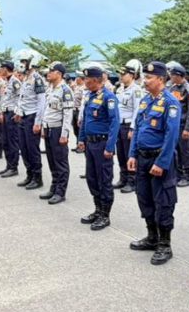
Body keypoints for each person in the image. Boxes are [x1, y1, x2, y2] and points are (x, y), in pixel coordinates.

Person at [128, 62, 181, 265]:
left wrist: (162, 162)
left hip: (159, 160)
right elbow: (138, 129)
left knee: (163, 202)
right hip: (142, 157)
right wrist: (132, 154)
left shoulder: (170, 103)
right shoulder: (145, 101)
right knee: (144, 198)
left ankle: (164, 245)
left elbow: (171, 136)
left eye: (149, 77)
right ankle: (152, 237)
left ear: (160, 79)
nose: (145, 81)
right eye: (145, 77)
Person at [78, 66, 120, 230]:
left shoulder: (108, 97)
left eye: (87, 80)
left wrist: (110, 147)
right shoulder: (89, 96)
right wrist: (81, 139)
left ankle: (105, 215)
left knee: (104, 180)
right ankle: (97, 209)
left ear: (95, 80)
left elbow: (114, 123)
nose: (85, 82)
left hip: (103, 144)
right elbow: (85, 119)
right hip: (90, 143)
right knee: (92, 177)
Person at [36, 62, 74, 203]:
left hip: (58, 129)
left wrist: (64, 134)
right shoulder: (50, 89)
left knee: (60, 162)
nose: (48, 74)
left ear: (58, 73)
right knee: (51, 160)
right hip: (48, 128)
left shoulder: (65, 90)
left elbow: (68, 114)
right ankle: (54, 187)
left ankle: (60, 192)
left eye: (51, 72)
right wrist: (42, 126)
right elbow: (46, 109)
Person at [16, 56, 47, 189]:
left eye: (24, 62)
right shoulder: (25, 78)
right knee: (23, 148)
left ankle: (37, 177)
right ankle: (29, 174)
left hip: (32, 117)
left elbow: (41, 102)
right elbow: (22, 98)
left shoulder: (37, 79)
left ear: (30, 64)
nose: (22, 64)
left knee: (32, 149)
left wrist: (38, 122)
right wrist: (18, 112)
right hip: (23, 116)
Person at [115, 60, 144, 194]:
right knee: (120, 153)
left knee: (129, 153)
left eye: (124, 74)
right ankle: (123, 178)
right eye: (121, 74)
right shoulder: (120, 89)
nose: (121, 76)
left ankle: (132, 181)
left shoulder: (136, 90)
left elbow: (137, 110)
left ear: (132, 75)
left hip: (128, 125)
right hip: (119, 125)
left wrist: (133, 128)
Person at [167, 62, 189, 187]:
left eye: (173, 75)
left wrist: (188, 128)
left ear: (179, 76)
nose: (171, 77)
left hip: (184, 125)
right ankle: (178, 175)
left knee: (185, 152)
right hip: (173, 126)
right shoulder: (171, 88)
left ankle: (187, 175)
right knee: (175, 151)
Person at [0, 62, 23, 178]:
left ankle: (13, 167)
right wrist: (0, 112)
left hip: (12, 113)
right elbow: (3, 100)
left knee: (12, 141)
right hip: (5, 112)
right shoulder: (6, 81)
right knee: (5, 141)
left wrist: (17, 112)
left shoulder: (15, 81)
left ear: (6, 69)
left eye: (1, 68)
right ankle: (8, 165)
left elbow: (21, 98)